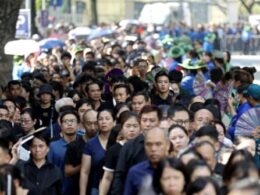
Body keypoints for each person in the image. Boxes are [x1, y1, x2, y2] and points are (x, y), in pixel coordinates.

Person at [111, 105, 161, 195]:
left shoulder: (167, 145)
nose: (148, 124)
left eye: (152, 120)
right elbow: (119, 176)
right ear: (140, 122)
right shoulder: (129, 146)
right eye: (144, 120)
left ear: (159, 122)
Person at [99, 111, 141, 195]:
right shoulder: (113, 150)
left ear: (140, 128)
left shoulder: (144, 147)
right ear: (121, 128)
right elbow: (107, 177)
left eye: (135, 126)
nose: (132, 129)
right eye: (128, 126)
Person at [123, 127, 169, 195]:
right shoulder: (135, 172)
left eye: (158, 144)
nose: (153, 149)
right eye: (149, 144)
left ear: (168, 145)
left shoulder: (177, 170)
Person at [80, 109, 115, 195]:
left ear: (114, 122)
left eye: (107, 118)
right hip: (96, 188)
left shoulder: (119, 142)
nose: (104, 122)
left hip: (116, 188)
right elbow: (84, 172)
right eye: (100, 119)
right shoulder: (90, 144)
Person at [63, 109, 98, 195]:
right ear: (83, 124)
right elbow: (67, 171)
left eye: (95, 123)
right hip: (77, 189)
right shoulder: (74, 145)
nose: (93, 127)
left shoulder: (106, 143)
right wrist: (85, 164)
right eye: (89, 123)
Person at [48, 109, 81, 195]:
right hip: (60, 189)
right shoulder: (53, 146)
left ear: (78, 125)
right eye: (66, 121)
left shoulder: (85, 144)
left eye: (72, 121)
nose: (69, 124)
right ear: (61, 126)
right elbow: (49, 170)